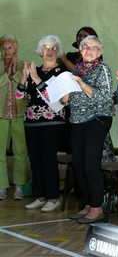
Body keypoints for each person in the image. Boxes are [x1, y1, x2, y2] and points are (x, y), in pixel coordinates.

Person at [17, 35, 68, 212]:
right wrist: (24, 78)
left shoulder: (62, 73)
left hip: (52, 123)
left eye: (54, 48)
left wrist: (37, 80)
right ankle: (40, 196)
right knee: (35, 161)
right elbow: (20, 97)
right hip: (31, 123)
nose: (50, 51)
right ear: (40, 51)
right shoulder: (33, 70)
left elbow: (56, 100)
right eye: (46, 47)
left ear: (58, 51)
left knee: (48, 160)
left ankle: (53, 198)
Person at [65, 36, 113, 224]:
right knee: (78, 164)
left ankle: (97, 207)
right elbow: (68, 99)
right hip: (76, 120)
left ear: (99, 52)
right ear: (80, 51)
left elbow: (105, 98)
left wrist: (82, 84)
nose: (88, 50)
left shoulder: (103, 70)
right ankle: (87, 204)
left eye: (93, 47)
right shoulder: (76, 70)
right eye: (85, 47)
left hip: (96, 119)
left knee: (91, 165)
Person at [0, 35, 28, 200]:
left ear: (15, 48)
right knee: (0, 152)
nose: (6, 50)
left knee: (20, 151)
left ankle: (19, 186)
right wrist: (6, 74)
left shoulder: (23, 65)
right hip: (1, 115)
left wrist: (15, 73)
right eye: (4, 48)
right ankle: (2, 187)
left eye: (10, 47)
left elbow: (25, 85)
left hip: (19, 114)